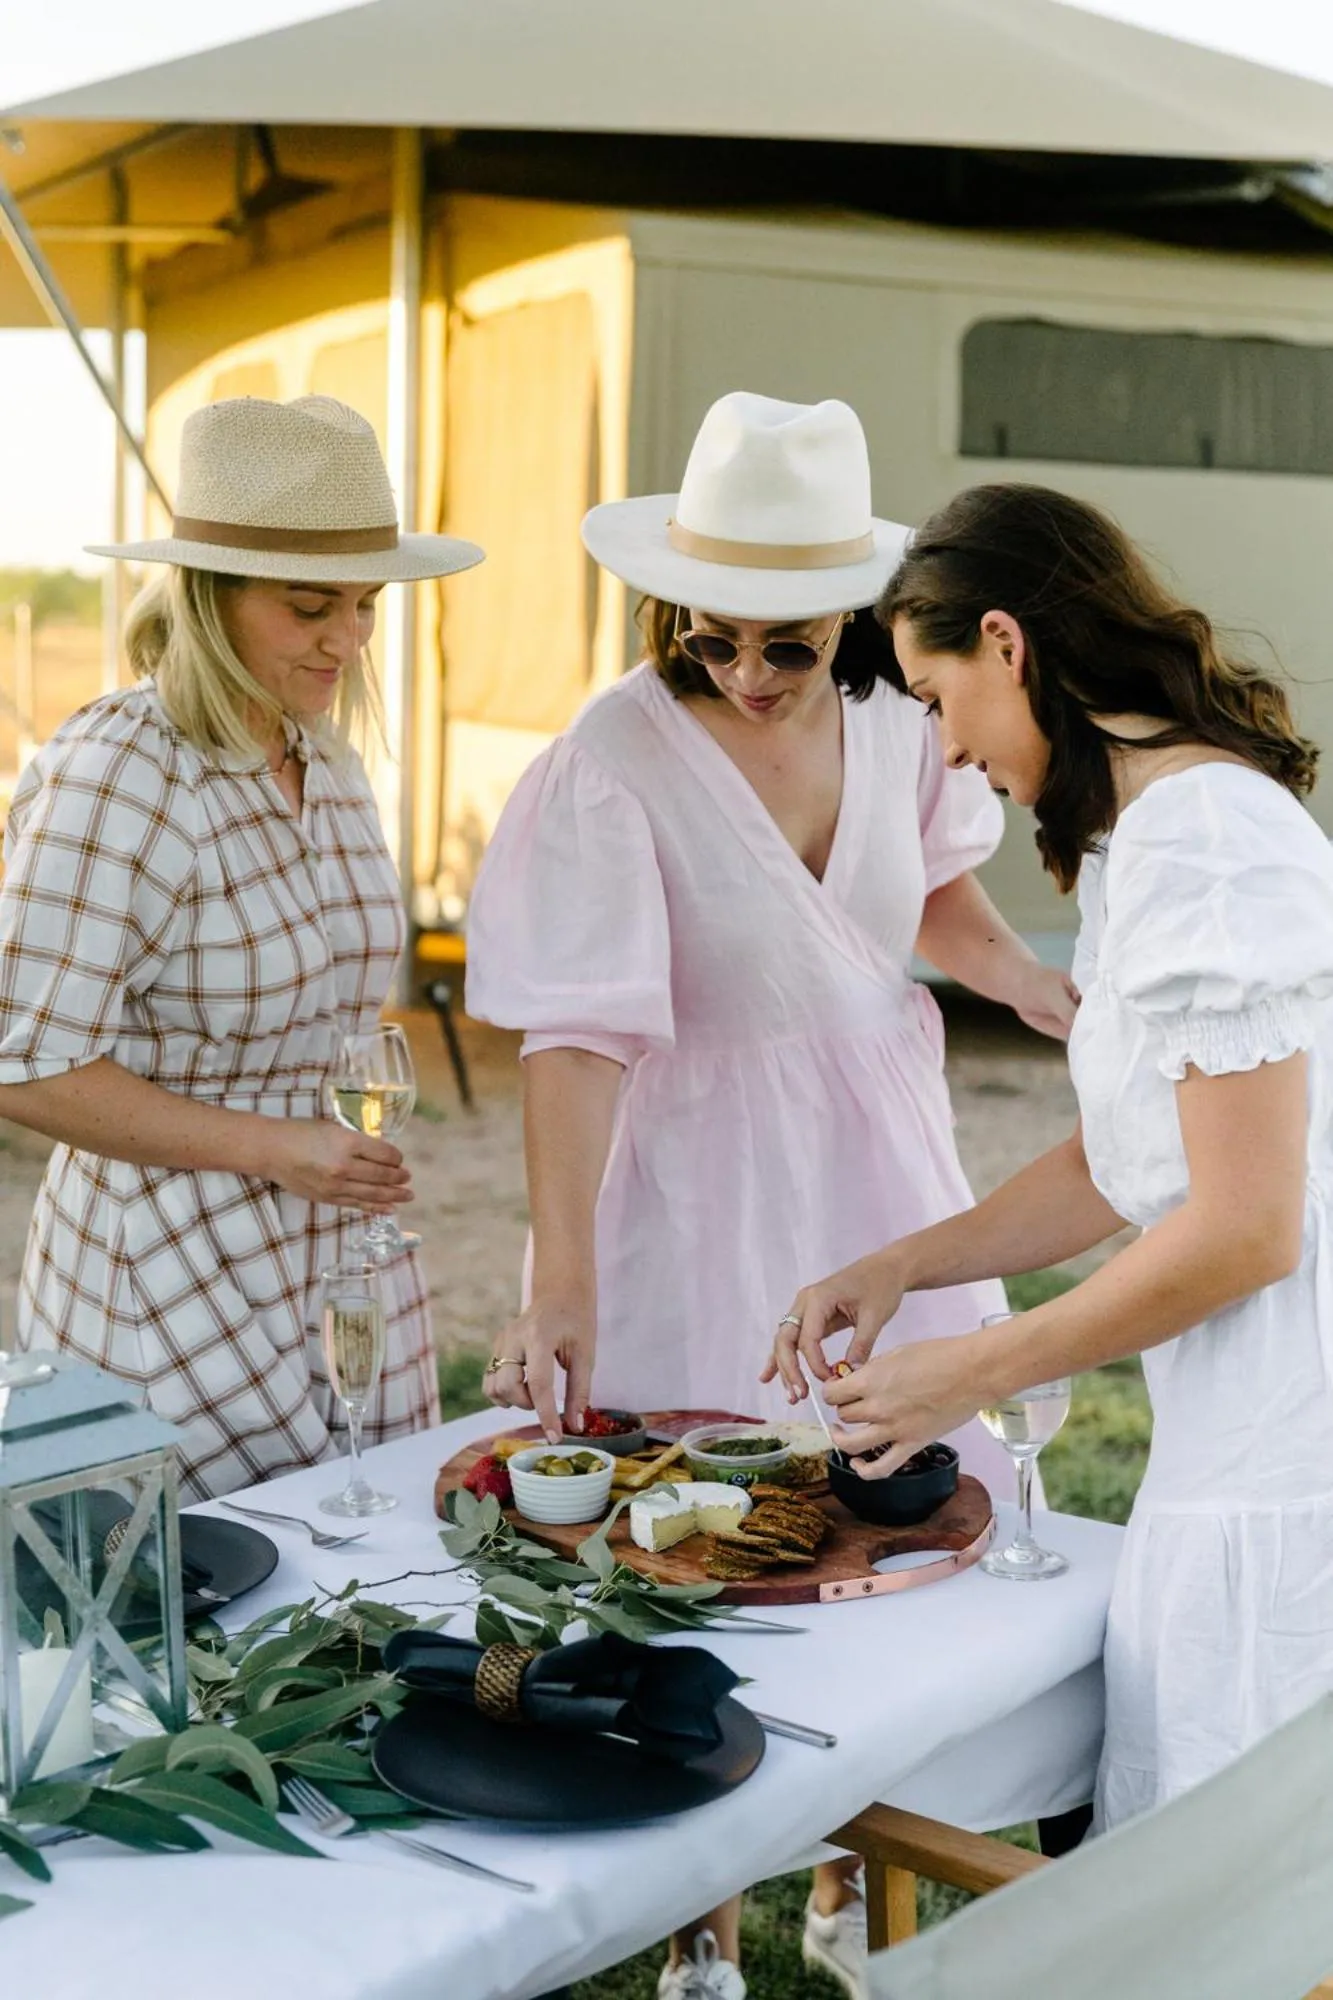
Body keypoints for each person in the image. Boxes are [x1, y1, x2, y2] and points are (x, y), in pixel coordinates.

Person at [466, 395, 1077, 2000]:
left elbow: (936, 890)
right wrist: (564, 1280)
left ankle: (855, 1854)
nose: (744, 672)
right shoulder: (613, 760)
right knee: (703, 1546)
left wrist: (1027, 985)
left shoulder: (900, 716)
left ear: (857, 626)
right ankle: (704, 1938)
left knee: (899, 1515)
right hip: (696, 1179)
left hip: (877, 1157)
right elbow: (575, 1042)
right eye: (707, 635)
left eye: (787, 646)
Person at [769, 481, 1333, 1836]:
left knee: (1241, 1885)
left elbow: (1250, 1227)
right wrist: (906, 1261)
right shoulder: (1151, 833)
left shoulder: (1199, 843)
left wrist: (979, 1364)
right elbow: (1121, 1163)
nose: (943, 746)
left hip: (1289, 1444)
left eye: (933, 691)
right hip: (1233, 1423)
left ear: (1007, 644)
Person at [0, 394, 483, 1500]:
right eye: (311, 605)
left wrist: (316, 1152)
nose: (350, 638)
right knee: (222, 1623)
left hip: (329, 1241)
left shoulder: (329, 756)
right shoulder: (118, 767)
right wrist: (277, 1146)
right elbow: (25, 1064)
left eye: (365, 605)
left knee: (361, 1583)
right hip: (163, 1261)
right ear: (209, 595)